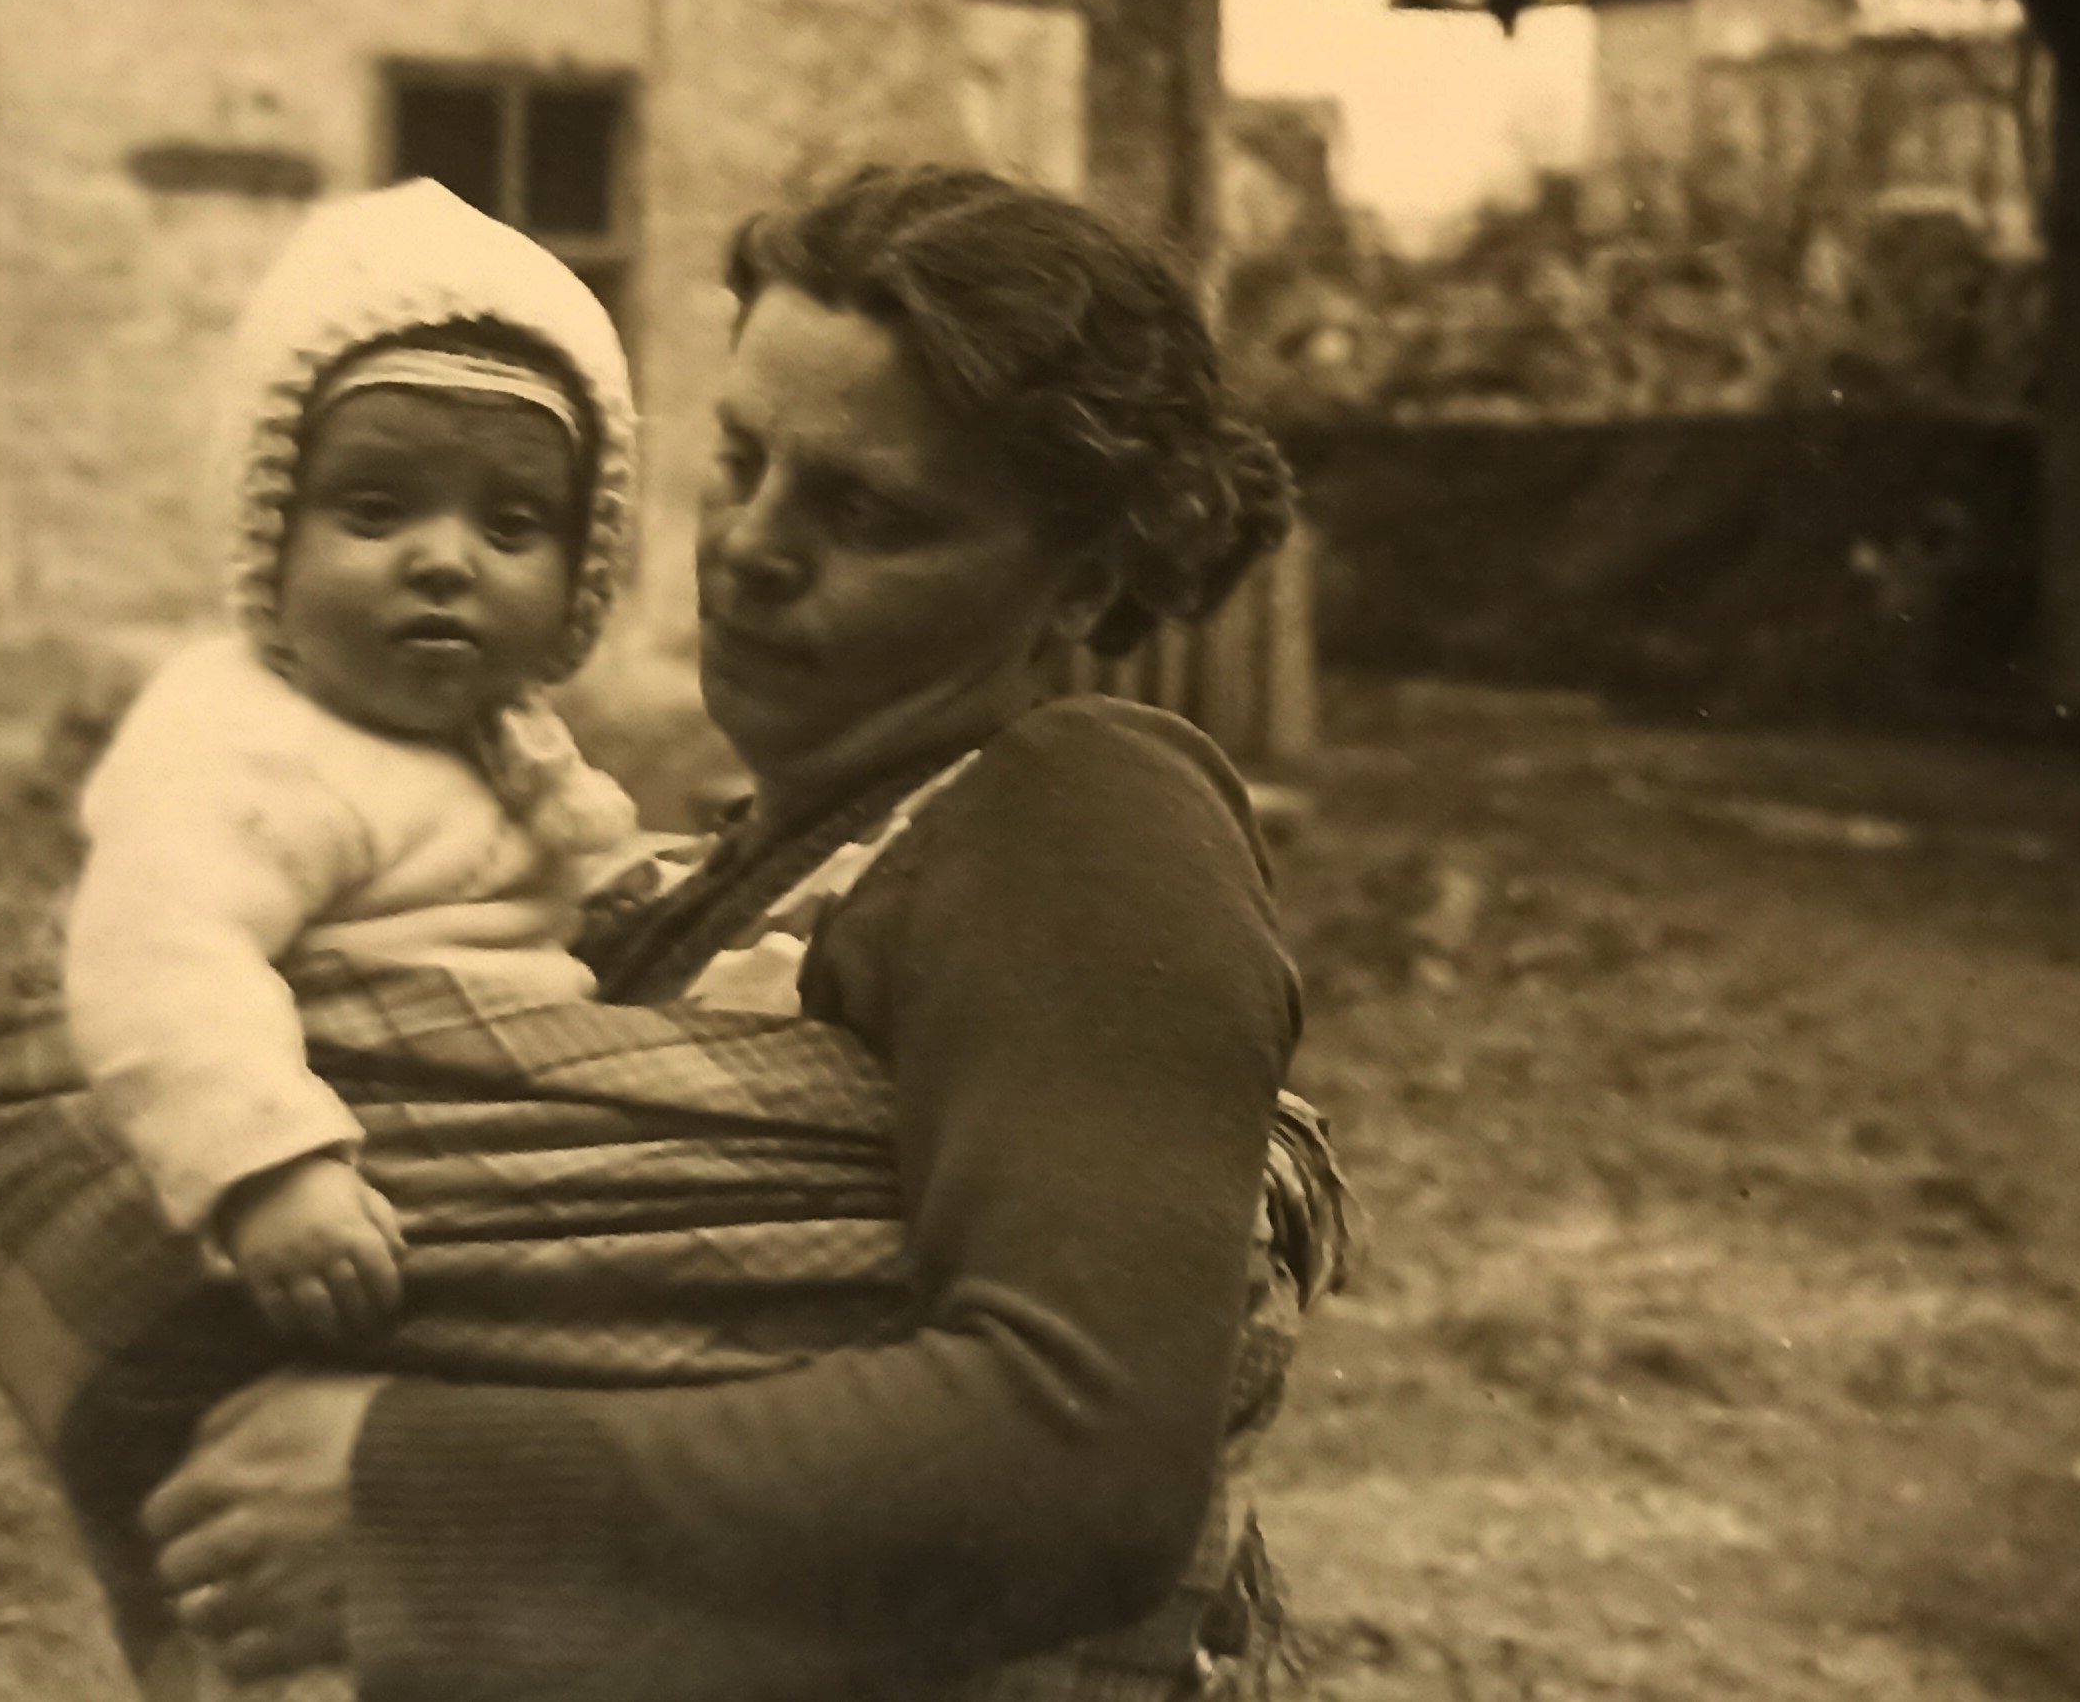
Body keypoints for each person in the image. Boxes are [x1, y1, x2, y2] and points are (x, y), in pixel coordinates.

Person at [99, 165, 1347, 1700]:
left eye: (864, 509)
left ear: (1078, 580)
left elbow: (1086, 1449)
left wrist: (414, 1487)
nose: (752, 543)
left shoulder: (1076, 813)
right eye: (740, 458)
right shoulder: (680, 879)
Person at [58, 178, 651, 1347]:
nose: (445, 561)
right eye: (375, 511)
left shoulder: (499, 735)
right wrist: (267, 1166)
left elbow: (564, 867)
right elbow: (154, 952)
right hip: (364, 1178)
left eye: (512, 526)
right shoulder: (241, 739)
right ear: (270, 533)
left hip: (536, 1126)